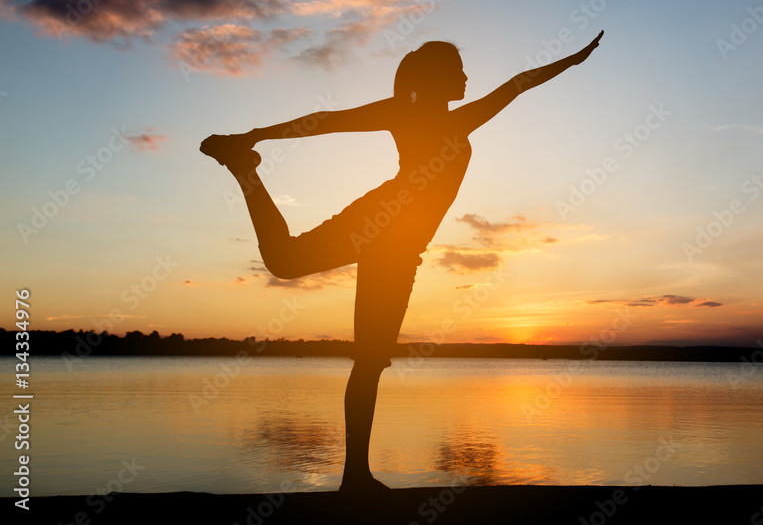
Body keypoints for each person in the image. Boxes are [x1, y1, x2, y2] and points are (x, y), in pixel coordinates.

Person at [200, 31, 603, 492]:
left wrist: (570, 62)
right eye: (458, 71)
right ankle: (244, 167)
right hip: (380, 223)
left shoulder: (457, 120)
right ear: (436, 79)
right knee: (289, 267)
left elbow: (518, 83)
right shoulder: (407, 113)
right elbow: (325, 121)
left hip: (400, 246)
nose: (468, 77)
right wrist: (255, 135)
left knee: (365, 355)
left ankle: (355, 478)